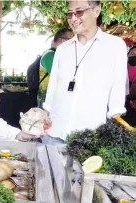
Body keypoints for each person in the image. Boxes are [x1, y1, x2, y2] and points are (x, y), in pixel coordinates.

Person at [43, 0, 127, 144]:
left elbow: (117, 96)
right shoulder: (63, 49)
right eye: (70, 14)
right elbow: (52, 91)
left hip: (89, 140)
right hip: (54, 134)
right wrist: (44, 117)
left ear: (96, 10)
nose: (73, 19)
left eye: (79, 12)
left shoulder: (115, 46)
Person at [27, 28, 73, 94]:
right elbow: (61, 77)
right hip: (46, 99)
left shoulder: (56, 55)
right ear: (61, 39)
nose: (72, 43)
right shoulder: (49, 55)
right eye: (70, 40)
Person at [123, 46, 136, 126]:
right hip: (120, 101)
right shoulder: (121, 67)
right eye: (132, 53)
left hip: (132, 104)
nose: (134, 56)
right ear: (128, 54)